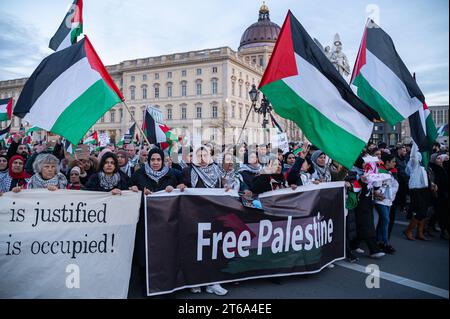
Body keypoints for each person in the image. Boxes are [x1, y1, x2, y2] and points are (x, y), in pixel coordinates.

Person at [182, 146, 228, 296]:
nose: (202, 158)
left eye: (205, 155)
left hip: (214, 215)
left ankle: (212, 282)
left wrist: (227, 186)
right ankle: (196, 281)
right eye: (199, 155)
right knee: (196, 249)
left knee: (213, 248)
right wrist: (180, 187)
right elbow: (183, 189)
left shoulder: (218, 170)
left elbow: (225, 188)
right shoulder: (188, 171)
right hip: (194, 216)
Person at [403, 143, 434, 241]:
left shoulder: (425, 165)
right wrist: (416, 142)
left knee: (425, 211)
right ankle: (408, 230)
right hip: (416, 189)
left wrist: (432, 184)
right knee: (421, 211)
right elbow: (413, 156)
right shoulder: (413, 163)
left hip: (425, 189)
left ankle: (419, 232)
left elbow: (428, 176)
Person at [374, 154, 399, 254]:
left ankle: (379, 241)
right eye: (393, 161)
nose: (394, 163)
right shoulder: (379, 171)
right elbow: (375, 185)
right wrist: (378, 192)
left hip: (388, 200)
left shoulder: (390, 172)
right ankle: (385, 243)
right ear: (387, 162)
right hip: (380, 200)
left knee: (383, 221)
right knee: (385, 220)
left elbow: (394, 185)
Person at [428, 153, 449, 240]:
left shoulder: (443, 166)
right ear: (433, 160)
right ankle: (444, 231)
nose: (440, 160)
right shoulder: (432, 169)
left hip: (444, 193)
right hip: (437, 193)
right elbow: (433, 181)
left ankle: (431, 226)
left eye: (440, 159)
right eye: (438, 159)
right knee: (441, 213)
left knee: (439, 213)